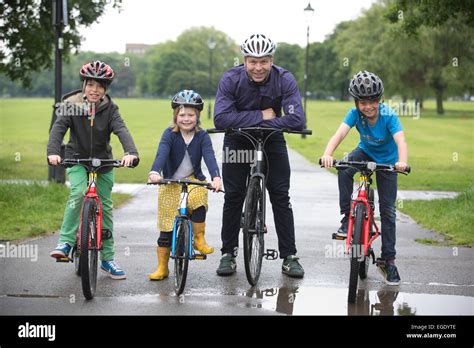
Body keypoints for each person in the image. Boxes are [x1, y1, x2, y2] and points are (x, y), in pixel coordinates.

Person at [213, 33, 305, 278]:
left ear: (272, 60)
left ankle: (290, 256)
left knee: (280, 196)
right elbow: (221, 118)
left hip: (272, 140)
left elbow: (297, 119)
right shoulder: (231, 79)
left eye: (264, 61)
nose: (258, 67)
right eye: (252, 61)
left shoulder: (284, 78)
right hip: (238, 139)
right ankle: (228, 253)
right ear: (244, 60)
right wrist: (262, 116)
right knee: (233, 196)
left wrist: (264, 124)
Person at [48, 60, 139, 280]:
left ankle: (107, 259)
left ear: (105, 88)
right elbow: (58, 130)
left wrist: (130, 152)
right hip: (77, 160)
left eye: (100, 86)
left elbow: (122, 130)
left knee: (105, 207)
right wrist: (53, 152)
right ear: (84, 85)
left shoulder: (110, 108)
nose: (95, 90)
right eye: (91, 84)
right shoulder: (70, 104)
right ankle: (66, 242)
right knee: (79, 193)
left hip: (103, 163)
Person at [320, 70, 409, 285]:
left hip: (388, 160)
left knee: (388, 211)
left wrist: (402, 161)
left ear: (380, 100)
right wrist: (327, 154)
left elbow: (401, 141)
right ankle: (346, 217)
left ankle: (388, 261)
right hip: (365, 151)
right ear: (356, 102)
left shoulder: (388, 115)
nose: (367, 106)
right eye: (362, 102)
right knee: (344, 168)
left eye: (372, 101)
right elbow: (340, 134)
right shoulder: (354, 114)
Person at [147, 90, 222, 281]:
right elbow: (161, 153)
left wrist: (216, 177)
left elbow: (210, 156)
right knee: (166, 223)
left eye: (191, 115)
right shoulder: (169, 134)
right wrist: (155, 171)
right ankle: (162, 267)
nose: (186, 119)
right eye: (182, 115)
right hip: (170, 181)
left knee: (199, 198)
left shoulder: (202, 136)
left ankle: (199, 239)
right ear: (175, 116)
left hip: (193, 179)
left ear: (197, 117)